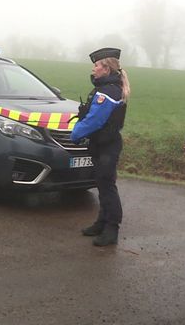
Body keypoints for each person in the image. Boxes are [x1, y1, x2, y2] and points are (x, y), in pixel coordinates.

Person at [71, 48, 130, 246]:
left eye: (96, 65)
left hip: (107, 145)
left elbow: (95, 120)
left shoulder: (108, 91)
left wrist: (76, 134)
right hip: (102, 144)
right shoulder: (107, 87)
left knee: (107, 187)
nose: (94, 69)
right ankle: (102, 222)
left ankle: (111, 228)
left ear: (106, 68)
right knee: (103, 185)